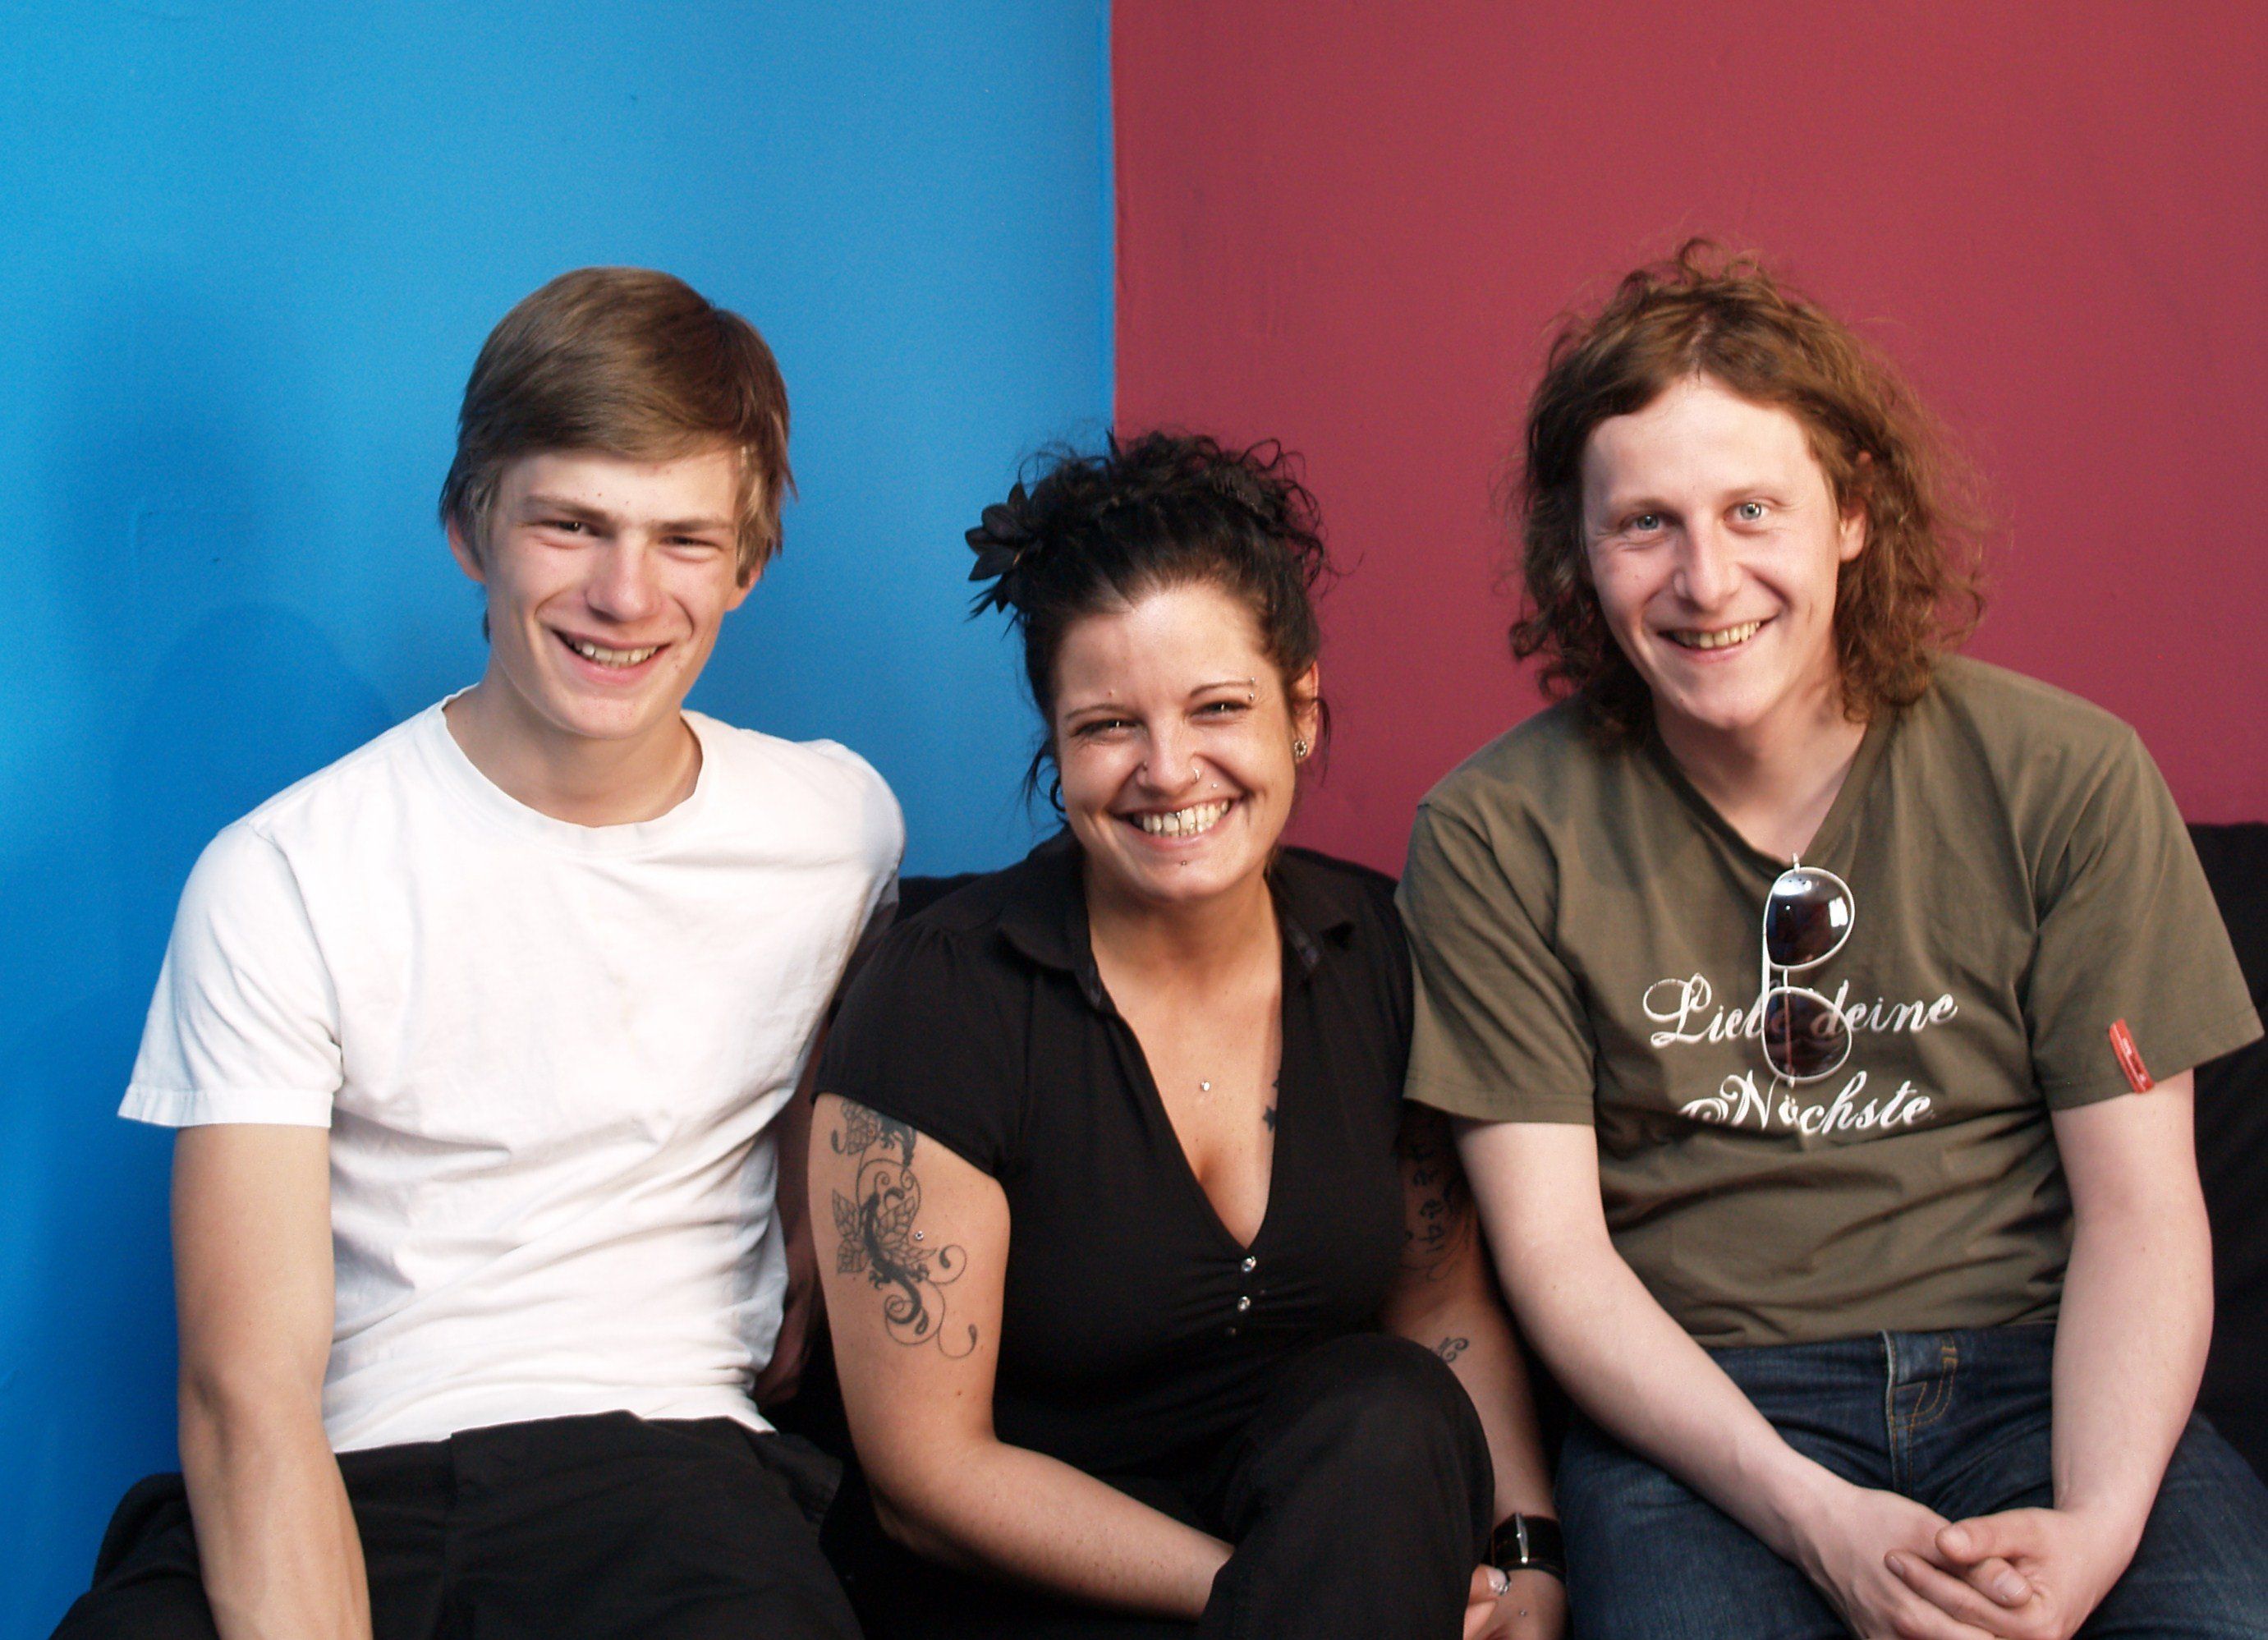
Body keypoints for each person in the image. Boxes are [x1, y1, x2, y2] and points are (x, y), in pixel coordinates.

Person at [1397, 241, 2268, 1640]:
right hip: (1707, 1413)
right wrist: (1815, 1518)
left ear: (1852, 511)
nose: (1704, 579)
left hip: (2045, 1383)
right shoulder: (1494, 833)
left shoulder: (2066, 776)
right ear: (1578, 546)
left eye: (1752, 509)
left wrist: (2095, 1530)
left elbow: (2143, 1212)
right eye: (1644, 524)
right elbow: (1558, 1262)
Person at [54, 268, 902, 1640]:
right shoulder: (283, 873)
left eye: (685, 539)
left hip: (672, 1470)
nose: (624, 594)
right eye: (571, 523)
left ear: (747, 566)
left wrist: (822, 1234)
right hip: (346, 1467)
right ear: (469, 528)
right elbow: (243, 1394)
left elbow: (848, 1079)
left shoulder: (836, 827)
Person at [807, 432, 1566, 1639]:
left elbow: (1440, 1308)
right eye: (1109, 724)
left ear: (1299, 710)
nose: (1168, 771)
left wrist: (1529, 1556)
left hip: (1320, 1544)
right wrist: (1270, 1592)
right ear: (1056, 747)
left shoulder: (1376, 950)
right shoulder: (944, 996)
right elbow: (927, 1476)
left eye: (1218, 708)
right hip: (1026, 1584)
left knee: (1390, 1405)